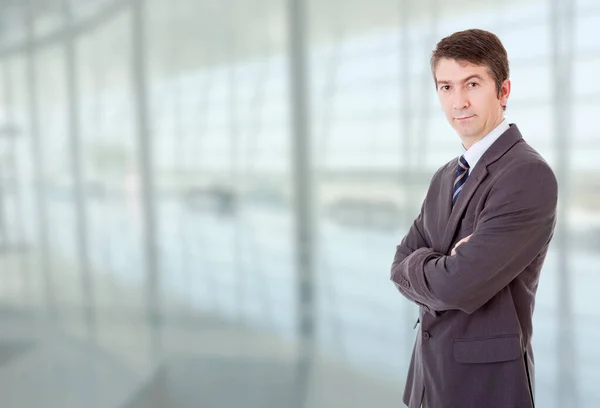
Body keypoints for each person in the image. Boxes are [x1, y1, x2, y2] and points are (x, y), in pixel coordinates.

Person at [390, 28, 558, 408]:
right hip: (426, 385)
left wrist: (428, 264)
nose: (458, 101)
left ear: (503, 90)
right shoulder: (445, 176)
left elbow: (456, 287)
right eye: (446, 87)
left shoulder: (526, 175)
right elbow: (398, 263)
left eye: (472, 83)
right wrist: (437, 263)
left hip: (485, 390)